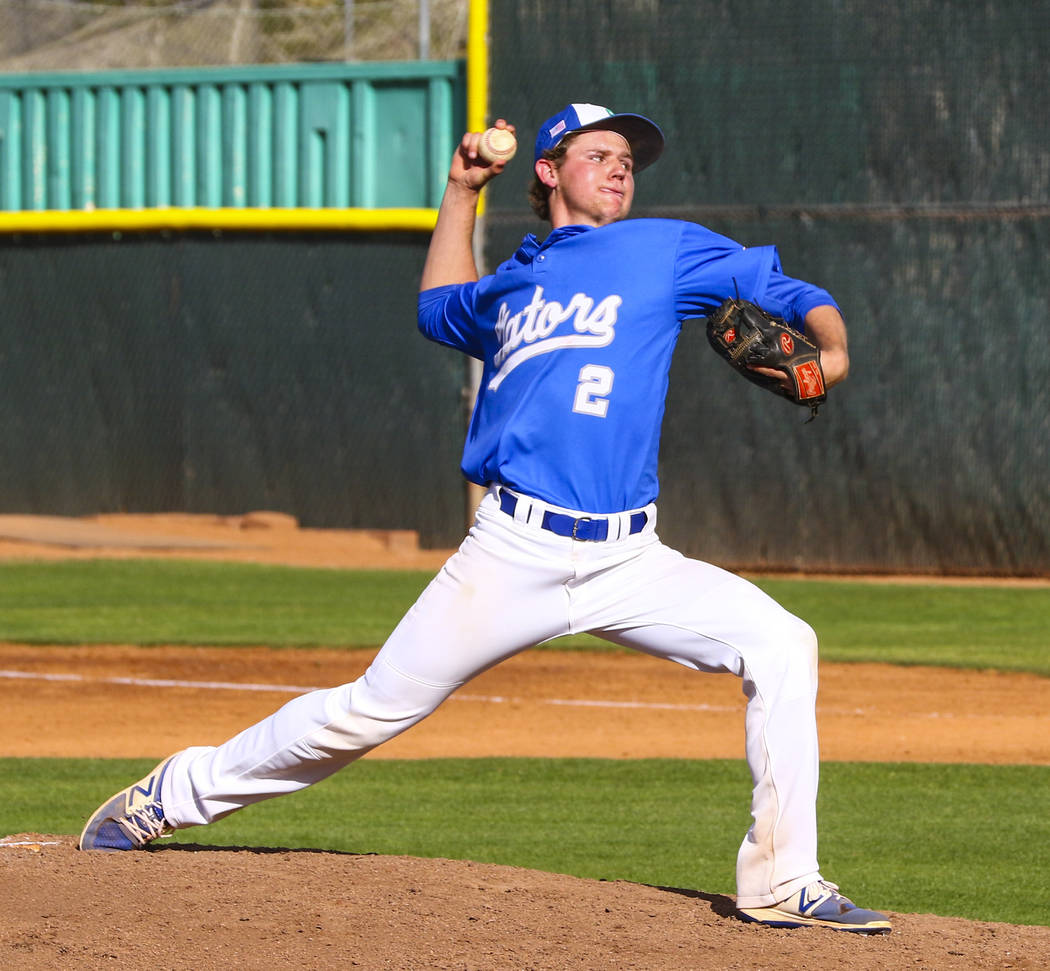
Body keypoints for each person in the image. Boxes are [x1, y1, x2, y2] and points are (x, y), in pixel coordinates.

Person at [80, 103, 890, 934]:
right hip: (511, 549)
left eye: (630, 160)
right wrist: (460, 189)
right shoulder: (513, 282)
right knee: (367, 710)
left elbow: (788, 291)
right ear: (547, 170)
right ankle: (168, 795)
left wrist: (831, 350)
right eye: (601, 153)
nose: (621, 168)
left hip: (630, 557)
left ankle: (783, 879)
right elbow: (438, 308)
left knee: (782, 640)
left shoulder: (664, 249)